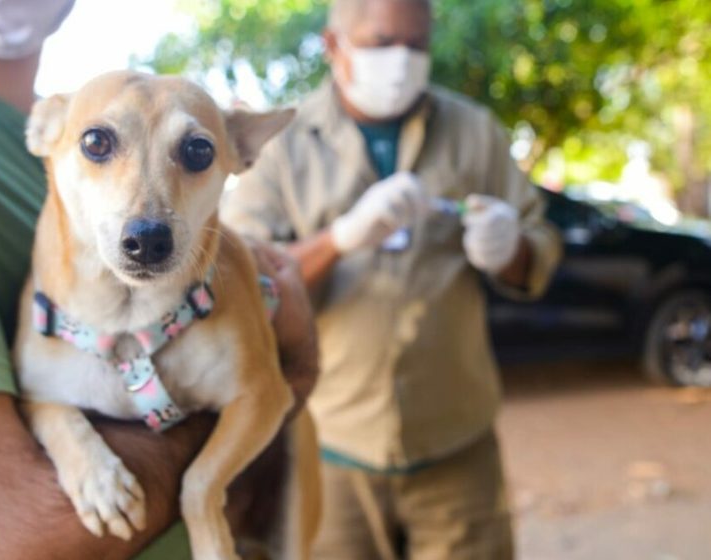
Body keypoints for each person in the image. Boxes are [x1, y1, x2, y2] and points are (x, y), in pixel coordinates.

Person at [0, 1, 318, 559]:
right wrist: (290, 369)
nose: (147, 221)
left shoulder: (29, 119)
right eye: (100, 145)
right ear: (48, 137)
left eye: (195, 152)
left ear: (238, 153)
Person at [222, 0, 563, 558]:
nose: (402, 61)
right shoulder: (280, 145)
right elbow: (241, 282)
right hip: (329, 444)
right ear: (335, 46)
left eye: (417, 45)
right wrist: (340, 239)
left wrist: (511, 248)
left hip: (455, 443)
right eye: (381, 43)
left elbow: (540, 250)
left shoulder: (474, 132)